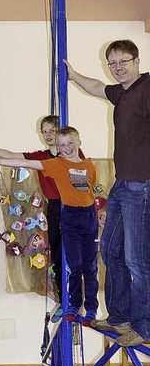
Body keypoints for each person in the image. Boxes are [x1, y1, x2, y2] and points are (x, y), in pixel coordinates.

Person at [64, 41, 150, 347]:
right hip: (122, 184)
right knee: (110, 252)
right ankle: (120, 317)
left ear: (137, 61)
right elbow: (98, 87)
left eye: (123, 61)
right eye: (112, 63)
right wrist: (73, 75)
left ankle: (144, 325)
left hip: (141, 186)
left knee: (137, 260)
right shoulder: (122, 92)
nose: (118, 68)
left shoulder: (146, 87)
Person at [0, 126, 99, 327]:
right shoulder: (56, 165)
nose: (67, 148)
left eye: (70, 143)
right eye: (62, 145)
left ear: (79, 142)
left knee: (90, 266)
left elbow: (90, 191)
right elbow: (25, 162)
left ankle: (91, 307)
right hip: (69, 218)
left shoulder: (90, 167)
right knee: (74, 265)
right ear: (57, 148)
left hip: (89, 217)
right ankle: (75, 304)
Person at [0, 115, 85, 304]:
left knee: (76, 255)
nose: (48, 135)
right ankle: (65, 301)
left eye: (52, 130)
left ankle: (79, 298)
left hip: (73, 206)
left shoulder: (71, 153)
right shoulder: (40, 156)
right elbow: (11, 155)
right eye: (44, 131)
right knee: (57, 255)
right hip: (54, 208)